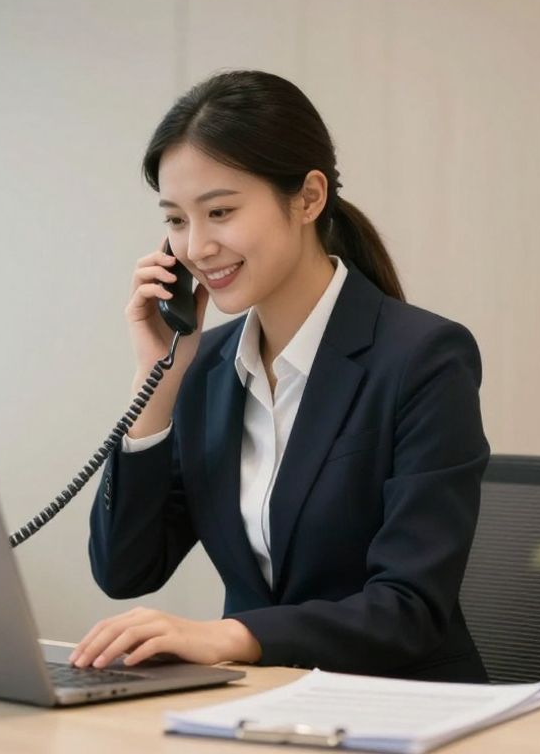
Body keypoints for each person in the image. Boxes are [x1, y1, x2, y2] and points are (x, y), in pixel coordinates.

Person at [70, 70, 490, 683]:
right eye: (177, 220)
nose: (196, 247)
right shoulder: (205, 368)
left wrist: (229, 636)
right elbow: (124, 570)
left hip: (401, 709)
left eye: (220, 211)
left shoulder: (424, 359)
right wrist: (156, 378)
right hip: (258, 710)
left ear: (309, 198)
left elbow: (409, 609)